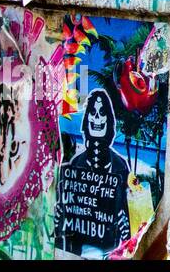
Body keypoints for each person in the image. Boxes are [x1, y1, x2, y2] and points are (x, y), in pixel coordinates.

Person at [54, 89, 132, 256]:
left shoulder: (120, 166)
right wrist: (59, 214)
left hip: (109, 251)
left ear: (109, 120)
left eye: (102, 113)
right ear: (87, 118)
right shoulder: (76, 163)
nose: (97, 118)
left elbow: (126, 211)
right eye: (92, 112)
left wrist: (126, 231)